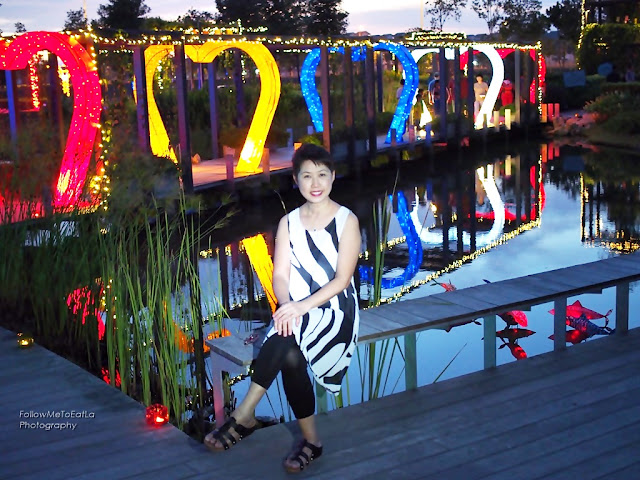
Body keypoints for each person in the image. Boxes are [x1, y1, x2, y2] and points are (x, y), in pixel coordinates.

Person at [204, 144, 361, 474]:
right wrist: (286, 305)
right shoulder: (288, 222)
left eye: (321, 174)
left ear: (332, 177)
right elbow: (279, 273)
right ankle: (312, 442)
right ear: (296, 180)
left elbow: (342, 280)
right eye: (306, 176)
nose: (315, 183)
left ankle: (244, 414)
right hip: (296, 307)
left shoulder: (347, 221)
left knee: (287, 340)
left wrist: (298, 307)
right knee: (289, 352)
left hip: (334, 310)